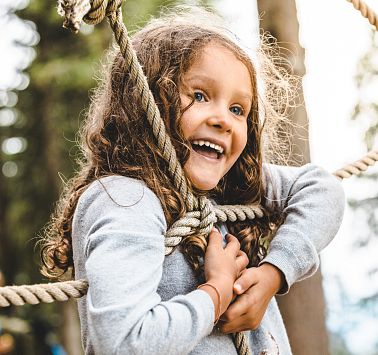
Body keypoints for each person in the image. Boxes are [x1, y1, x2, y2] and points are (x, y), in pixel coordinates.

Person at [40, 7, 345, 355]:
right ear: (146, 104)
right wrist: (215, 294)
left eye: (237, 109)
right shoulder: (126, 199)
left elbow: (323, 190)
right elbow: (125, 341)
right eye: (199, 96)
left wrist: (274, 273)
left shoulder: (229, 187)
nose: (223, 121)